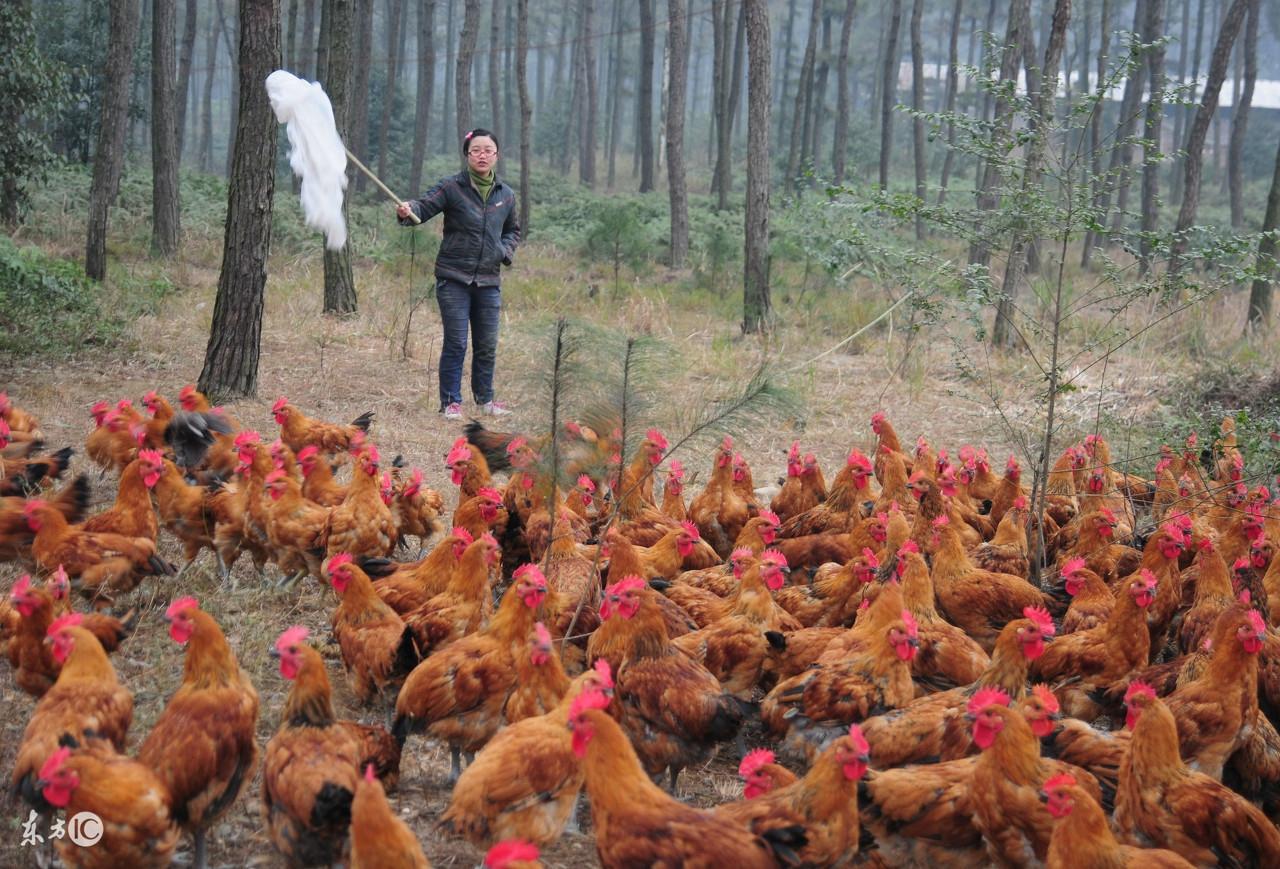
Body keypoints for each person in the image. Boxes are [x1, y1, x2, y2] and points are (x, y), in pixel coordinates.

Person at [397, 128, 520, 420]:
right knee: (457, 342)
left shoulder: (506, 194)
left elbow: (513, 231)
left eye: (488, 150)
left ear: (496, 155)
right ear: (467, 155)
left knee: (486, 343)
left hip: (489, 281)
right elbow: (423, 207)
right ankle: (450, 402)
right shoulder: (452, 187)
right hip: (454, 278)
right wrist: (407, 210)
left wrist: (503, 252)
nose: (482, 155)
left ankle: (485, 399)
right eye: (476, 150)